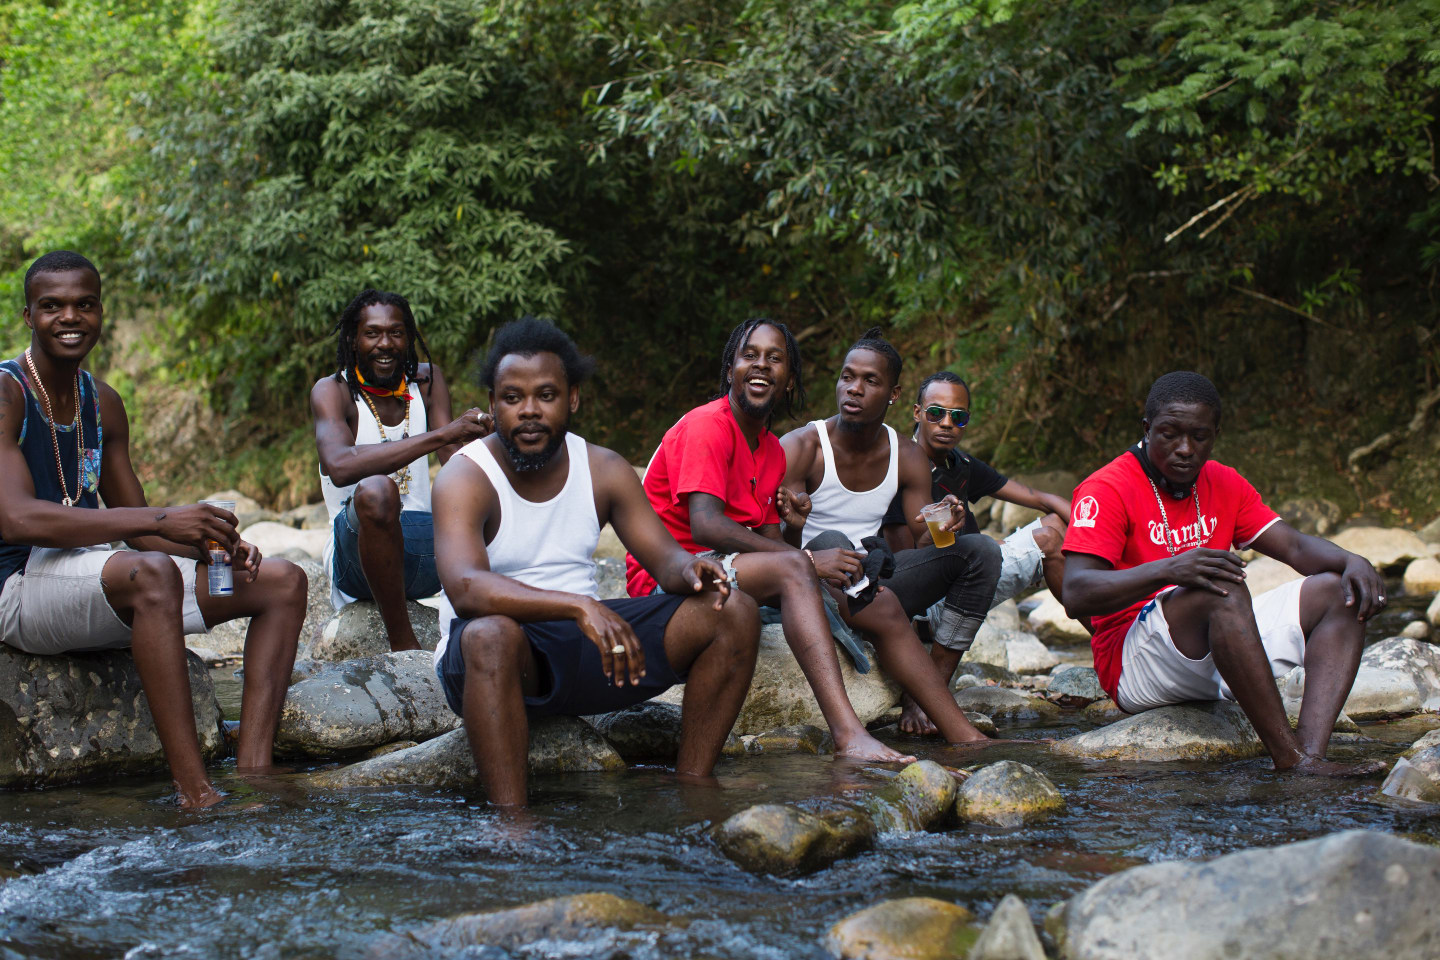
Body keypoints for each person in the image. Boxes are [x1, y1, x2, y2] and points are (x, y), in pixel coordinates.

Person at [0, 251, 306, 809]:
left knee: (283, 582)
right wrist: (165, 520)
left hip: (99, 579)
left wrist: (210, 539)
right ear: (28, 316)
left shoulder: (103, 403)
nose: (70, 317)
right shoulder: (7, 393)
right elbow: (17, 517)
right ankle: (196, 794)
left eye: (84, 305)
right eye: (52, 306)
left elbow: (142, 533)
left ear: (101, 312)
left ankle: (255, 775)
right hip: (18, 588)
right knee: (153, 574)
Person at [432, 318, 760, 806]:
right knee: (489, 633)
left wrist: (692, 569)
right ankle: (512, 827)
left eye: (546, 395)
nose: (529, 411)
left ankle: (693, 790)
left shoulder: (603, 468)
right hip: (498, 663)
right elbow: (466, 588)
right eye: (512, 397)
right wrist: (577, 606)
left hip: (589, 655)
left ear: (573, 399)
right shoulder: (465, 475)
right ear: (493, 403)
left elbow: (665, 559)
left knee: (732, 610)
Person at [627, 318, 957, 762]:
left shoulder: (768, 450)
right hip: (670, 578)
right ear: (730, 370)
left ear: (789, 380)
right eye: (750, 355)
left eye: (775, 358)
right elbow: (705, 525)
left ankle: (966, 736)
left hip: (730, 574)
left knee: (880, 603)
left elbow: (766, 539)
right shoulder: (708, 425)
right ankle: (849, 733)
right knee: (802, 565)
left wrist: (797, 532)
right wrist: (806, 558)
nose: (761, 365)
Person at [1062, 371, 1387, 776]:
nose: (1184, 449)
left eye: (1199, 437)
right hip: (1136, 661)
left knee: (1340, 592)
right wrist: (1172, 568)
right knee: (1222, 588)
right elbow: (1076, 592)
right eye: (1169, 434)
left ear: (1215, 433)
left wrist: (1353, 560)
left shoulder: (1223, 481)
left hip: (1223, 646)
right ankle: (1289, 759)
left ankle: (1310, 757)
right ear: (1146, 429)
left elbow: (1297, 548)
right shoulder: (1107, 487)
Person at [776, 328, 1001, 745]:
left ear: (894, 394)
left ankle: (931, 687)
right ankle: (965, 736)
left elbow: (922, 546)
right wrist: (797, 533)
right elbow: (766, 550)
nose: (854, 389)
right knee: (831, 539)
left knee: (982, 551)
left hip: (870, 584)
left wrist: (948, 525)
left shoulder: (907, 455)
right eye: (848, 377)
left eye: (870, 381)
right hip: (811, 582)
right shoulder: (803, 446)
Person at [879, 369, 1085, 734]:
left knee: (1055, 523)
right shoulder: (901, 469)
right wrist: (947, 536)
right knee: (1049, 540)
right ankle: (924, 693)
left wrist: (1092, 531)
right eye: (935, 413)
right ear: (916, 413)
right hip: (927, 603)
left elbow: (1040, 498)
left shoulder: (962, 465)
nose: (946, 423)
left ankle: (1103, 634)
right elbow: (903, 569)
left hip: (971, 575)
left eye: (958, 417)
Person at [311, 289, 492, 651]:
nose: (385, 344)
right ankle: (402, 645)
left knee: (487, 509)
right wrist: (442, 433)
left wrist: (489, 438)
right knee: (376, 491)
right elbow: (340, 466)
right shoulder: (333, 391)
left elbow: (457, 460)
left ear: (409, 337)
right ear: (353, 338)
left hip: (425, 547)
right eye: (372, 333)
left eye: (396, 332)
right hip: (357, 556)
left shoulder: (427, 381)